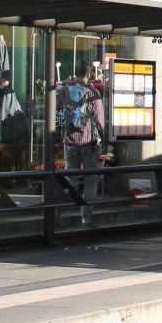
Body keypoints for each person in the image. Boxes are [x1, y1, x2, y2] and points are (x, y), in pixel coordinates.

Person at [61, 61, 105, 224]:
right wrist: (103, 136)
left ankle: (59, 208)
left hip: (69, 140)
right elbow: (100, 120)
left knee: (69, 176)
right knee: (91, 179)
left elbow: (59, 113)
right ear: (88, 75)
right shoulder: (92, 92)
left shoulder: (65, 90)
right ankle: (86, 218)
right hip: (88, 142)